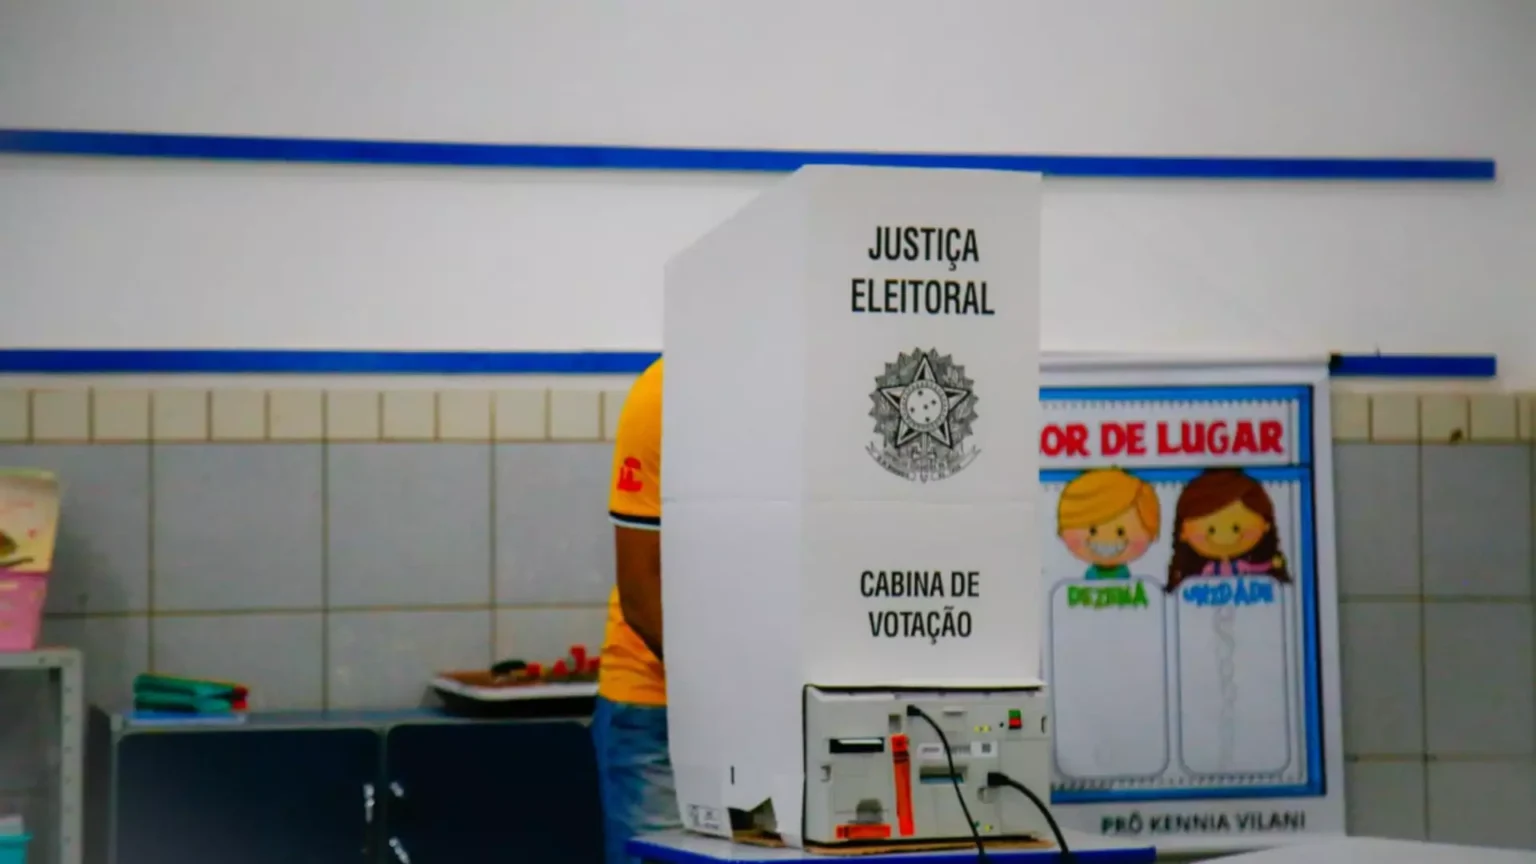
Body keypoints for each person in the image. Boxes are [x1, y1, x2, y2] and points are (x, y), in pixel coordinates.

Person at [591, 357, 678, 864]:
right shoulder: (662, 394)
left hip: (762, 710)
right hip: (655, 706)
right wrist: (727, 701)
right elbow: (642, 594)